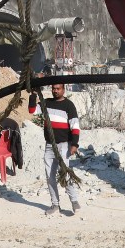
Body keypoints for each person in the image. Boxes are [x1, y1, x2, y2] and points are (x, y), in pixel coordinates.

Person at [41, 83, 82, 215]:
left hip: (64, 145)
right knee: (49, 176)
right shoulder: (46, 103)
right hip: (49, 145)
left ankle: (74, 201)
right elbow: (32, 110)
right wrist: (32, 96)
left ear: (63, 90)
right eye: (53, 88)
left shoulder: (69, 105)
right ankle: (55, 204)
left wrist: (75, 144)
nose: (55, 91)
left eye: (58, 89)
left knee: (64, 173)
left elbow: (75, 125)